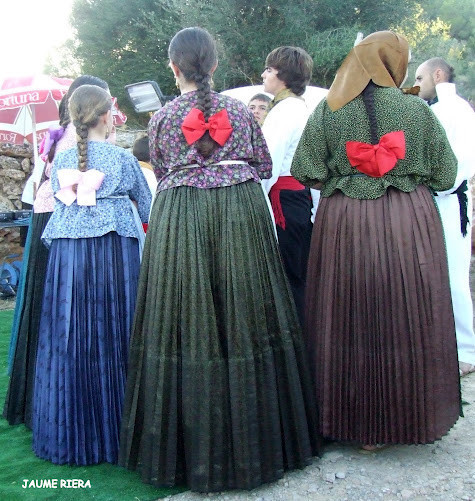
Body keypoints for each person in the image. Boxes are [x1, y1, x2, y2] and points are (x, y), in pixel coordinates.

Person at [119, 27, 320, 492]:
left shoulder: (162, 117)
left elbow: (163, 170)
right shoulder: (243, 112)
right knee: (246, 311)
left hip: (181, 218)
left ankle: (189, 449)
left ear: (174, 67)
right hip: (239, 214)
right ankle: (260, 441)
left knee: (186, 316)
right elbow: (264, 165)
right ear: (213, 65)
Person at [291, 31, 461, 449]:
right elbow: (445, 174)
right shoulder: (416, 109)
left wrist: (345, 179)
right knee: (406, 309)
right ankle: (406, 419)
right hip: (407, 220)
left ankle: (349, 422)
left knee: (345, 311)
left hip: (344, 222)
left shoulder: (329, 109)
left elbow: (306, 169)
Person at [32, 85, 152, 465]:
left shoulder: (61, 160)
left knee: (69, 333)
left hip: (69, 253)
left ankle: (69, 432)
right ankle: (122, 430)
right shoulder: (123, 159)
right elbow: (148, 207)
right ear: (105, 117)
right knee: (118, 329)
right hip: (114, 250)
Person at [3, 75, 110, 429]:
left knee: (41, 301)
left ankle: (34, 391)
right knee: (63, 304)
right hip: (64, 218)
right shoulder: (80, 138)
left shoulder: (56, 134)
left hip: (43, 214)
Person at [414, 57, 475, 377]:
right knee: (428, 275)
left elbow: (461, 163)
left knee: (453, 277)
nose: (416, 84)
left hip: (449, 202)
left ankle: (465, 350)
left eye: (420, 78)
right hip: (429, 200)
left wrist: (435, 187)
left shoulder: (458, 111)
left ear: (437, 75)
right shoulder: (432, 110)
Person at [260, 46, 320, 325]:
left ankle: (292, 338)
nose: (264, 75)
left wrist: (256, 203)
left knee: (286, 275)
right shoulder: (300, 108)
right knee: (296, 273)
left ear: (283, 75)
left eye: (269, 69)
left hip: (283, 202)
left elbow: (267, 165)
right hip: (298, 198)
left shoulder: (284, 111)